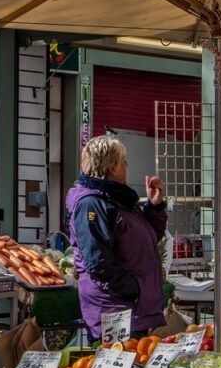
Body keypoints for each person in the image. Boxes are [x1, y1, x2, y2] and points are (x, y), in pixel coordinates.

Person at [66, 135, 168, 340]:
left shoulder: (118, 201)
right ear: (112, 167)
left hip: (134, 307)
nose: (127, 166)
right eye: (124, 161)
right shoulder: (92, 204)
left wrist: (154, 207)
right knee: (120, 367)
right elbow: (97, 260)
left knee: (136, 365)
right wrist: (133, 289)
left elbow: (143, 242)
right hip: (116, 308)